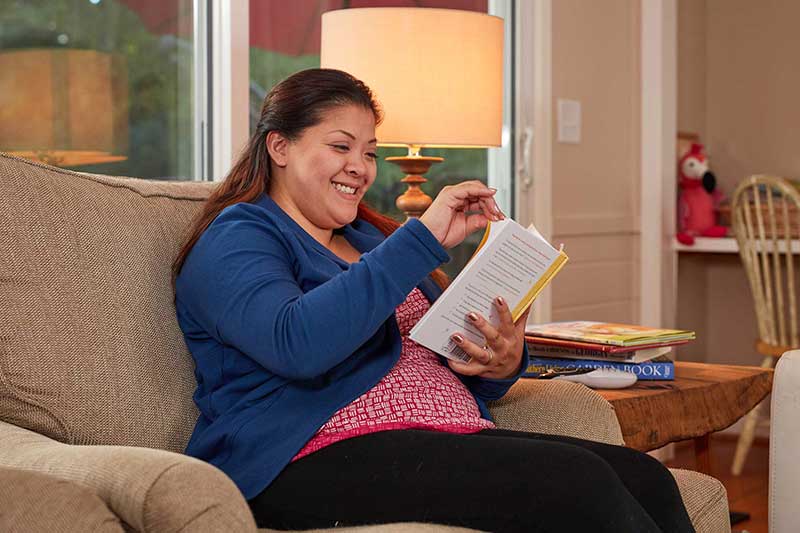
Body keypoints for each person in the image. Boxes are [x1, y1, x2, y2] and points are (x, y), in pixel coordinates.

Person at [173, 68, 694, 532]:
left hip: (443, 435)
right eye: (340, 146)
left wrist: (499, 361)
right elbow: (298, 344)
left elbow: (458, 370)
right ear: (280, 147)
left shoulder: (369, 242)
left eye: (370, 152)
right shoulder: (240, 234)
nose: (361, 167)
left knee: (649, 479)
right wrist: (419, 239)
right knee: (577, 481)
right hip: (305, 455)